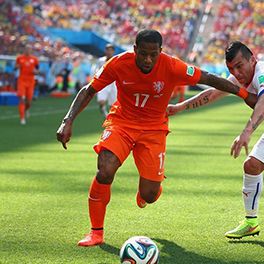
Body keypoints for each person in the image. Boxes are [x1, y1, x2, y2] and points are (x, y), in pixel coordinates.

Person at [56, 30, 256, 247]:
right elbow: (88, 90)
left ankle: (151, 188)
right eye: (143, 54)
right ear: (135, 50)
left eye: (153, 54)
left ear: (161, 51)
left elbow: (208, 78)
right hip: (121, 123)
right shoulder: (118, 63)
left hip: (154, 130)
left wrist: (245, 95)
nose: (148, 59)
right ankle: (96, 232)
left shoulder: (172, 66)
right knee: (105, 169)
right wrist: (67, 120)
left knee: (149, 195)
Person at [167, 41, 263, 239]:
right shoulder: (239, 77)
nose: (236, 73)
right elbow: (213, 92)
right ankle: (251, 222)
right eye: (231, 69)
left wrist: (247, 132)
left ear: (252, 59)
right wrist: (181, 107)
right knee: (252, 165)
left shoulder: (261, 71)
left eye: (239, 66)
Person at [15, 44, 39, 125]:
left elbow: (38, 70)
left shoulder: (34, 59)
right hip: (21, 80)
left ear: (31, 50)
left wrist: (36, 72)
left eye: (29, 49)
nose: (28, 50)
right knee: (22, 98)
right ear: (24, 50)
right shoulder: (19, 58)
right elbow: (15, 67)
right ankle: (22, 118)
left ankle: (26, 109)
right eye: (26, 49)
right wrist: (17, 66)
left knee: (29, 101)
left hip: (31, 81)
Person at [95, 43, 117, 117]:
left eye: (111, 50)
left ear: (113, 51)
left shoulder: (116, 60)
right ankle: (104, 113)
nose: (109, 52)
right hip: (104, 83)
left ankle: (111, 117)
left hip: (114, 84)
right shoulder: (100, 61)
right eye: (107, 50)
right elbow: (96, 71)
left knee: (113, 104)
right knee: (101, 101)